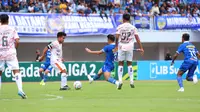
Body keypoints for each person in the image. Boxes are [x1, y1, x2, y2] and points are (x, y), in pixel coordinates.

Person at [0, 14, 27, 99]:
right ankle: (20, 90)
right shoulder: (12, 29)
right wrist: (15, 48)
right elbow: (17, 41)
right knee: (16, 71)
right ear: (8, 20)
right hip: (10, 52)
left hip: (0, 52)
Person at [114, 13, 144, 89]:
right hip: (130, 46)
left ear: (123, 19)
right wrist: (141, 48)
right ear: (129, 19)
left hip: (121, 46)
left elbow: (117, 37)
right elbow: (137, 38)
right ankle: (131, 81)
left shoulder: (120, 27)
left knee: (120, 63)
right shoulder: (133, 28)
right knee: (129, 64)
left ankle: (120, 81)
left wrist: (116, 46)